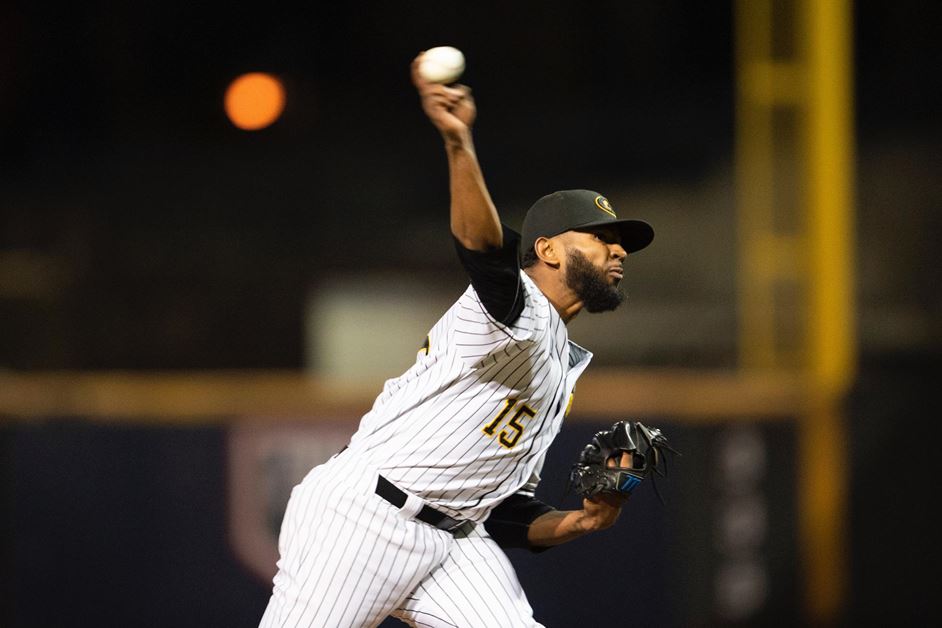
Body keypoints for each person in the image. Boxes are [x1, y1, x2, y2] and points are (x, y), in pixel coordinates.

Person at [258, 52, 655, 628]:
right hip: (366, 517)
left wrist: (585, 521)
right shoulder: (516, 306)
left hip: (457, 538)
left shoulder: (561, 361)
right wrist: (458, 142)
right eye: (599, 238)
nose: (617, 251)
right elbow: (483, 249)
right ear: (545, 250)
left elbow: (505, 514)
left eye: (620, 243)